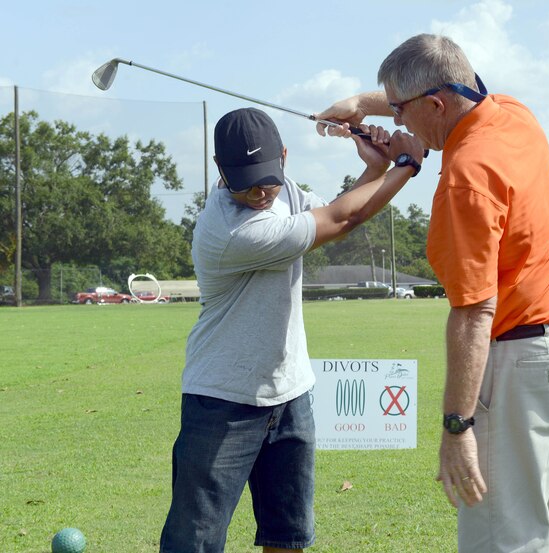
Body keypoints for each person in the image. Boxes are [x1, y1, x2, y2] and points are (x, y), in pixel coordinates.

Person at [316, 34, 549, 553]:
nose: (400, 122)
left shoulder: (466, 176)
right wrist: (363, 104)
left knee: (505, 535)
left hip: (524, 362)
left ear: (435, 104)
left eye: (404, 111)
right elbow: (441, 94)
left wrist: (457, 428)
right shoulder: (513, 113)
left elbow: (473, 313)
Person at [159, 107, 424, 553]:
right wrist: (407, 165)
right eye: (245, 183)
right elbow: (343, 221)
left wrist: (374, 167)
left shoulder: (286, 192)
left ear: (283, 156)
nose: (260, 192)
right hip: (222, 400)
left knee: (288, 537)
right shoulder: (228, 231)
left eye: (268, 178)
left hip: (290, 393)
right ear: (221, 172)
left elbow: (338, 208)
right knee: (195, 541)